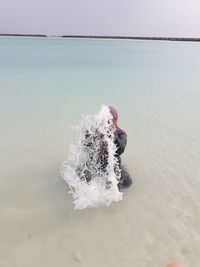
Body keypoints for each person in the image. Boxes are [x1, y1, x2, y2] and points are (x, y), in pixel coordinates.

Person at [108, 106, 132, 189]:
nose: (106, 122)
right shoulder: (94, 130)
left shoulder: (121, 134)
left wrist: (112, 133)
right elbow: (85, 146)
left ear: (115, 120)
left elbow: (120, 150)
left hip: (113, 164)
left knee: (127, 183)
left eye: (109, 119)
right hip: (96, 164)